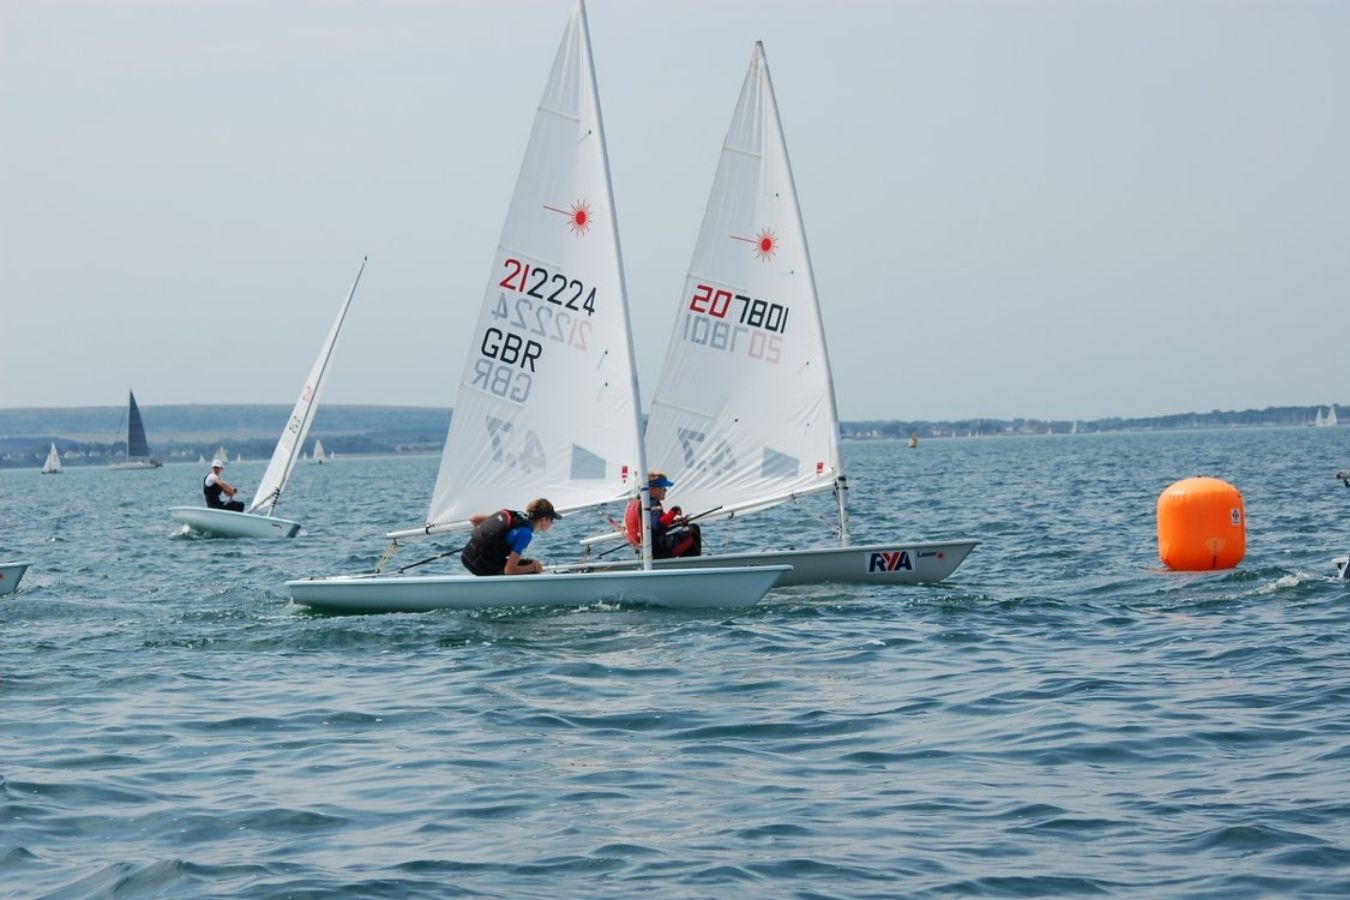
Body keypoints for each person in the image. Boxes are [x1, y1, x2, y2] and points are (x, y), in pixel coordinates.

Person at [460, 498, 561, 576]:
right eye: (551, 519)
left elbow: (474, 519)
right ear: (544, 519)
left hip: (466, 556)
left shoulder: (512, 516)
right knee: (529, 567)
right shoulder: (525, 534)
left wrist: (486, 541)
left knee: (524, 563)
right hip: (479, 567)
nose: (552, 523)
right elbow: (509, 571)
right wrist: (533, 567)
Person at [624, 471, 702, 559]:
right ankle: (692, 563)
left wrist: (675, 521)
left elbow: (654, 524)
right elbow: (658, 527)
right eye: (662, 487)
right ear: (651, 488)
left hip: (647, 549)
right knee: (694, 528)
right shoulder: (651, 502)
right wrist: (674, 511)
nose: (665, 490)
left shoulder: (635, 503)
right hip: (659, 549)